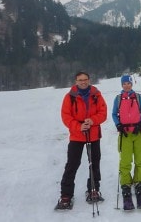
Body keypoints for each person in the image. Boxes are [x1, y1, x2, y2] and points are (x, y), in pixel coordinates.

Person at [56, 71, 107, 210]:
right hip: (77, 135)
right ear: (76, 81)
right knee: (72, 164)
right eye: (80, 80)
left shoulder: (97, 94)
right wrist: (79, 126)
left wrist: (93, 120)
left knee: (94, 163)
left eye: (85, 79)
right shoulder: (69, 97)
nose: (83, 82)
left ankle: (93, 189)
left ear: (89, 80)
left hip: (93, 133)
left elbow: (103, 113)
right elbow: (66, 116)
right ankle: (66, 194)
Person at [112, 75, 141, 210]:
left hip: (138, 132)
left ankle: (139, 182)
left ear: (132, 84)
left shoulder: (138, 97)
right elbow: (114, 114)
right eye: (124, 83)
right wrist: (118, 125)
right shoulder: (118, 98)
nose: (127, 85)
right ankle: (126, 184)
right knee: (125, 160)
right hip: (125, 133)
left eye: (129, 83)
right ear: (122, 85)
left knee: (140, 159)